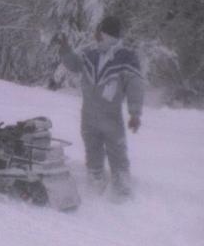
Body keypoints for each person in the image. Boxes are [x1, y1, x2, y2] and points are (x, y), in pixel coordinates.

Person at [58, 16, 144, 196]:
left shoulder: (126, 58)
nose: (95, 34)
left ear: (106, 34)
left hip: (111, 117)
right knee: (92, 149)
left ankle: (122, 188)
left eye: (98, 31)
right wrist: (65, 50)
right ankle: (95, 180)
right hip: (88, 115)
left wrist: (134, 113)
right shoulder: (90, 53)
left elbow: (135, 86)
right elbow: (74, 65)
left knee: (117, 151)